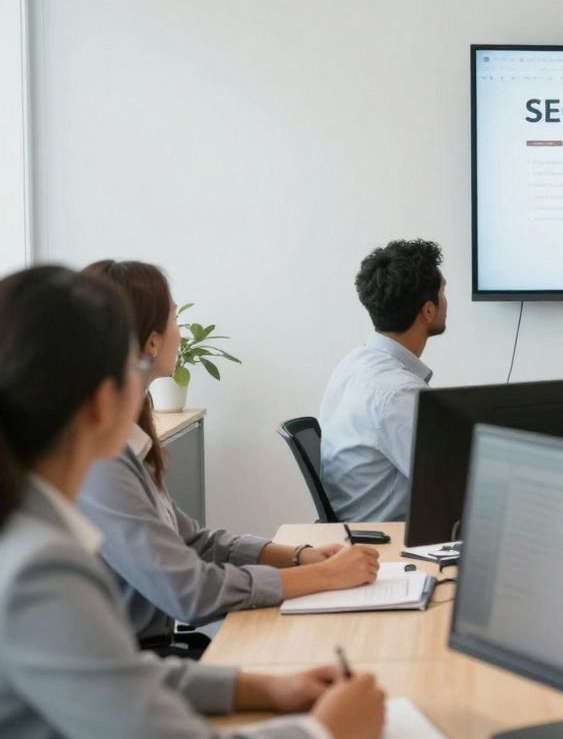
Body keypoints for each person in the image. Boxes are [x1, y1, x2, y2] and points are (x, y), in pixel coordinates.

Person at [0, 265, 385, 739]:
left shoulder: (29, 532)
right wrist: (326, 731)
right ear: (102, 401)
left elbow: (120, 673)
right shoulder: (40, 570)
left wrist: (268, 689)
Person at [77, 260, 380, 657]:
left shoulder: (130, 443)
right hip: (132, 666)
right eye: (173, 317)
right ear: (151, 343)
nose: (179, 331)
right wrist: (321, 576)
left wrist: (300, 556)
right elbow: (190, 593)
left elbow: (196, 541)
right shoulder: (103, 463)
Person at [320, 239, 447, 521]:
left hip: (359, 534)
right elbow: (450, 486)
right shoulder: (399, 393)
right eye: (443, 291)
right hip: (389, 545)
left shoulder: (354, 364)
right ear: (428, 310)